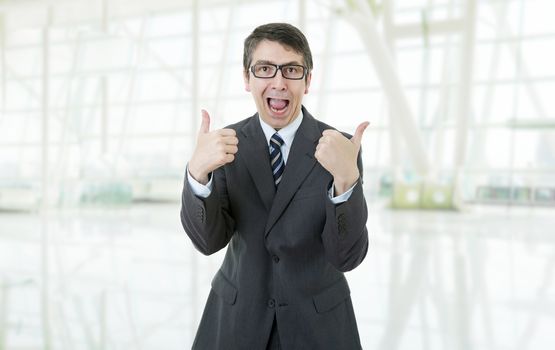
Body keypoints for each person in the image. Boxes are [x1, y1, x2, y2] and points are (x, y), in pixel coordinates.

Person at [181, 22, 369, 350]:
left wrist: (345, 181)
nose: (279, 82)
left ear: (308, 80)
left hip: (317, 326)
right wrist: (197, 174)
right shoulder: (224, 145)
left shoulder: (339, 148)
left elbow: (346, 258)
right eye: (265, 69)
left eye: (292, 70)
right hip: (238, 320)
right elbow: (209, 242)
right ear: (247, 78)